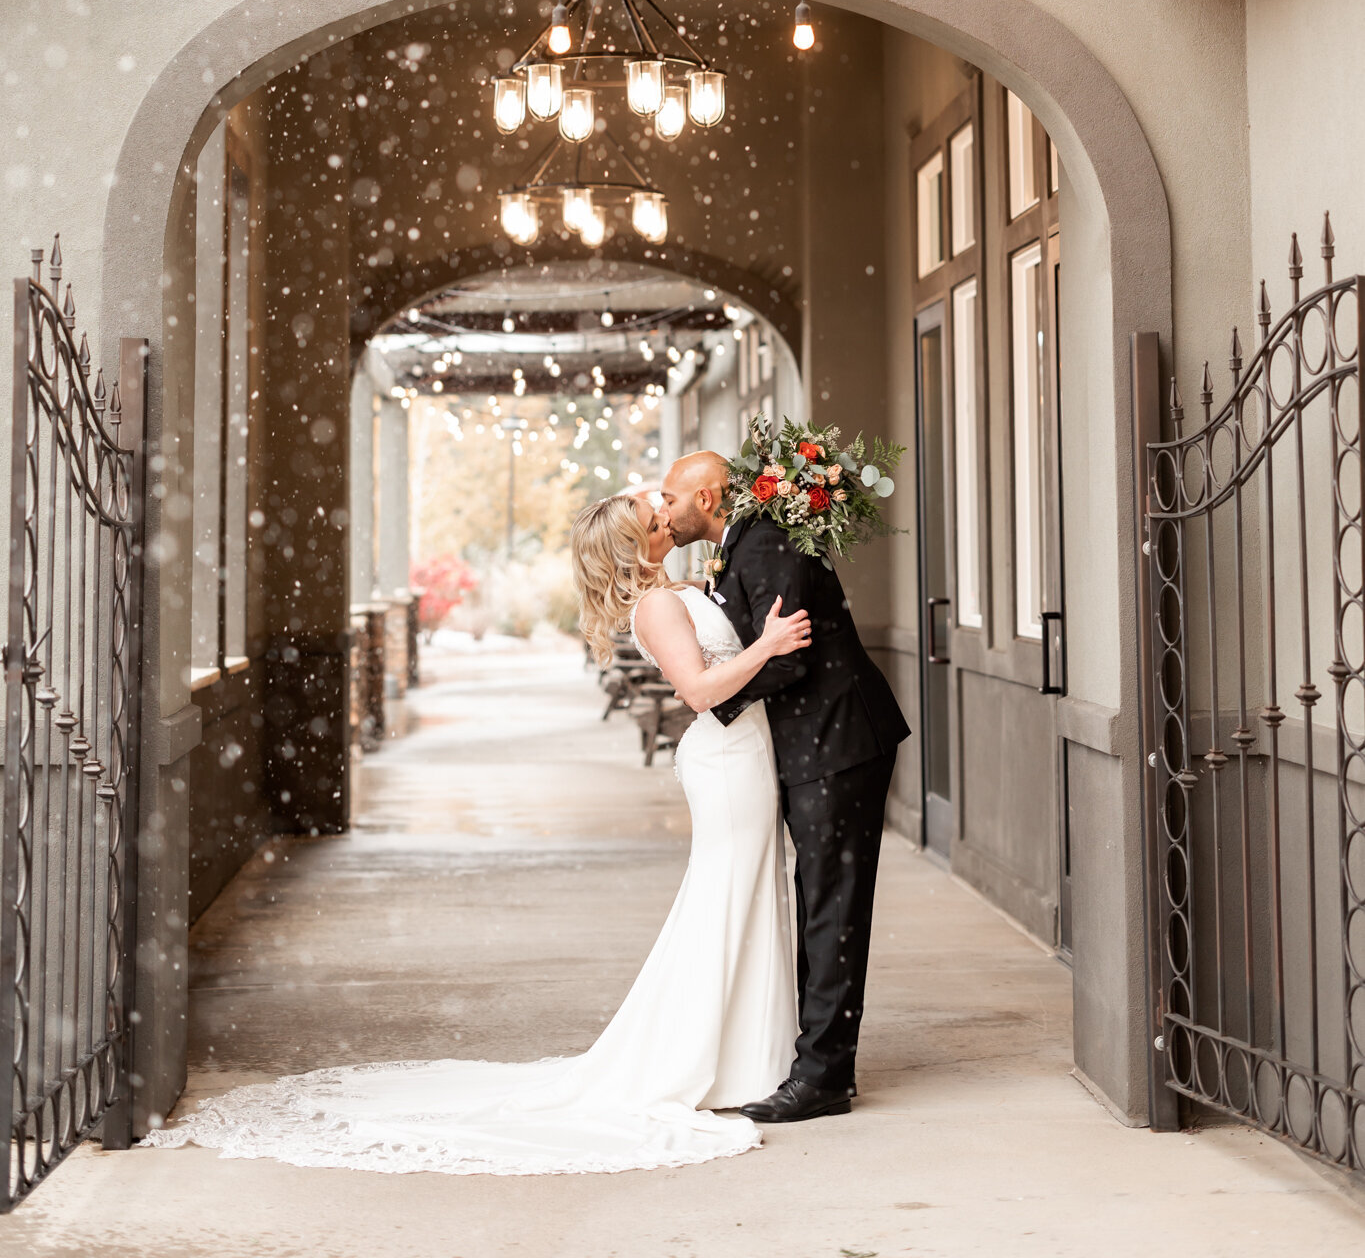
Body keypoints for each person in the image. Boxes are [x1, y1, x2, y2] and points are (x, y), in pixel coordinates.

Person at [143, 490, 812, 1177]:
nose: (666, 519)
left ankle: (742, 1058)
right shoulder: (656, 606)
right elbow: (700, 691)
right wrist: (765, 644)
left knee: (746, 896)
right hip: (728, 764)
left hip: (746, 757)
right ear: (634, 547)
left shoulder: (673, 591)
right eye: (653, 519)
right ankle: (712, 1061)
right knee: (725, 900)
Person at [660, 448, 910, 1125]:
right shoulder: (739, 544)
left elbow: (789, 655)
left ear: (708, 499)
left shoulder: (764, 539)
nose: (664, 509)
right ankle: (815, 1058)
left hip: (838, 740)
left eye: (670, 498)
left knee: (831, 907)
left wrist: (714, 702)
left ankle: (824, 1075)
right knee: (819, 901)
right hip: (813, 744)